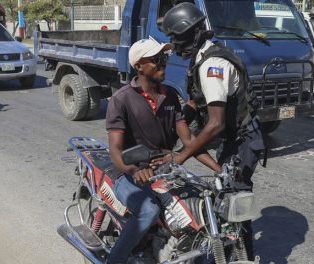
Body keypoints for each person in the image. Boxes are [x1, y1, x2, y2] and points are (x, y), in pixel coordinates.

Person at [161, 3, 267, 260]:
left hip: (242, 142)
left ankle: (243, 257)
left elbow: (215, 123)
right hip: (234, 139)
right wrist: (172, 123)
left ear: (194, 34)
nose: (175, 46)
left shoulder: (212, 66)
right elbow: (195, 103)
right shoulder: (202, 57)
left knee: (234, 207)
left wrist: (181, 156)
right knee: (226, 200)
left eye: (178, 38)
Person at [105, 37, 221, 264]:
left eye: (164, 58)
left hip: (165, 171)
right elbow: (116, 149)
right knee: (148, 210)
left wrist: (220, 170)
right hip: (129, 174)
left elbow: (189, 141)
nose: (163, 63)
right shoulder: (121, 100)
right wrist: (132, 170)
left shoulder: (169, 96)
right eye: (156, 59)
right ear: (138, 66)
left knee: (199, 205)